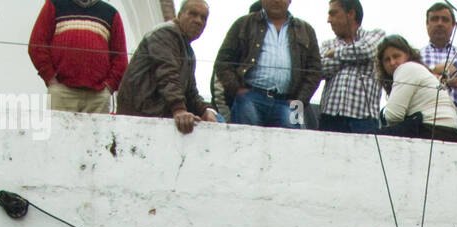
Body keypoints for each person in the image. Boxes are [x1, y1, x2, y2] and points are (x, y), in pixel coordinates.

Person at [215, 0, 321, 129]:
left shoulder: (306, 30)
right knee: (245, 143)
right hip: (250, 98)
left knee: (293, 145)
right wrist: (237, 90)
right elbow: (223, 61)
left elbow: (315, 71)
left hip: (291, 102)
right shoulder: (244, 24)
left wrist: (299, 100)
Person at [116, 0, 217, 132]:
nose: (198, 21)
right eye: (193, 14)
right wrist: (179, 109)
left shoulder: (187, 50)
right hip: (140, 117)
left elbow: (190, 91)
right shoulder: (164, 34)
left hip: (155, 117)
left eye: (203, 18)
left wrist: (206, 111)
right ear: (179, 15)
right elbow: (167, 73)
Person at [28, 0, 128, 114]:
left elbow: (120, 58)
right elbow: (36, 45)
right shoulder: (54, 5)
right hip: (62, 92)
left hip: (98, 97)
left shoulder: (111, 13)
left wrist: (108, 87)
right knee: (60, 132)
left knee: (96, 132)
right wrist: (51, 78)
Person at [377, 35, 457, 141]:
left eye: (396, 56)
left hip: (434, 129)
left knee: (374, 138)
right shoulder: (421, 70)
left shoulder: (406, 68)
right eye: (387, 60)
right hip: (452, 132)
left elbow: (393, 116)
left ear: (407, 55)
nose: (392, 62)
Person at [318, 0, 383, 133]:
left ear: (351, 14)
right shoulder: (326, 44)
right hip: (330, 117)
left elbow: (367, 50)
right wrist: (355, 56)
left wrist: (335, 53)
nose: (328, 20)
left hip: (364, 119)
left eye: (333, 13)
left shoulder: (377, 35)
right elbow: (320, 68)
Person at [421, 1, 457, 119]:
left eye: (445, 19)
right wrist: (446, 78)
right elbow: (416, 81)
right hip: (424, 118)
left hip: (456, 117)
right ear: (427, 23)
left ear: (453, 25)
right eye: (435, 19)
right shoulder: (417, 55)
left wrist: (431, 75)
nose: (440, 23)